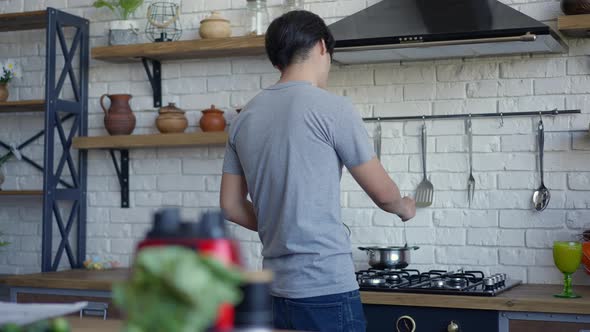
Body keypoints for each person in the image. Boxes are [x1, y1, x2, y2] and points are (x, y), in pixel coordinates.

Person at [220, 10, 416, 332]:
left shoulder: (244, 118)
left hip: (273, 291)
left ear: (276, 60)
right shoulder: (333, 108)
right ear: (322, 47)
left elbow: (230, 205)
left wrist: (280, 225)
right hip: (325, 289)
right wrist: (405, 207)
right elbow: (384, 195)